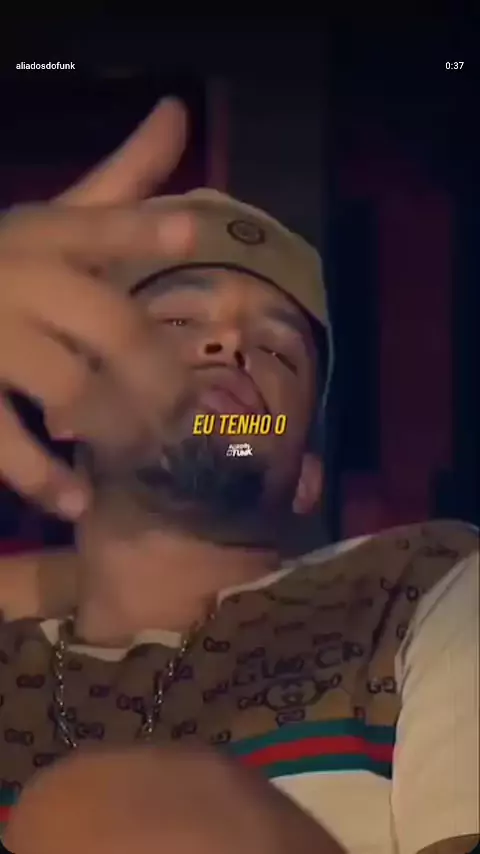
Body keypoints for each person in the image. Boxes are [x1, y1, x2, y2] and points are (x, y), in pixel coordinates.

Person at [0, 99, 478, 854]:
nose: (228, 345)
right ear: (67, 408)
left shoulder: (417, 588)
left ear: (307, 476)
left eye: (278, 352)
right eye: (175, 324)